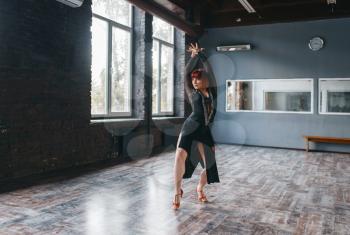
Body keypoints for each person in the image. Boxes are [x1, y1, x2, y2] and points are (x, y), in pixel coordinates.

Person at [172, 43, 220, 210]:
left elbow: (211, 72)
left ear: (204, 80)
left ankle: (200, 187)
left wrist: (202, 56)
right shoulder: (192, 92)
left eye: (197, 78)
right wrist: (193, 57)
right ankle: (177, 192)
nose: (194, 82)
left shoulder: (212, 92)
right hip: (190, 126)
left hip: (205, 131)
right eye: (193, 79)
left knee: (209, 167)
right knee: (179, 156)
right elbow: (185, 73)